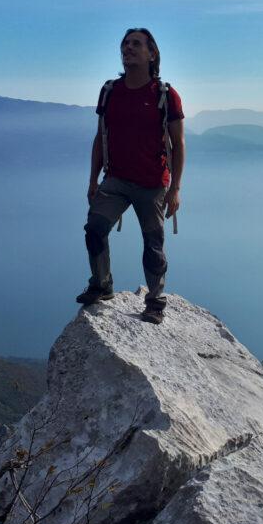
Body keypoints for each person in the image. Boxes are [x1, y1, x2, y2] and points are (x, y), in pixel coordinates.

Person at [76, 28, 185, 323]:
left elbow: (178, 144)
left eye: (136, 44)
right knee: (95, 228)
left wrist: (175, 188)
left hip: (152, 183)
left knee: (153, 244)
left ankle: (155, 301)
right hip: (116, 179)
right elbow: (101, 137)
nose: (128, 48)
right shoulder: (110, 91)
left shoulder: (165, 96)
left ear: (153, 54)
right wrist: (92, 180)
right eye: (125, 44)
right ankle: (102, 285)